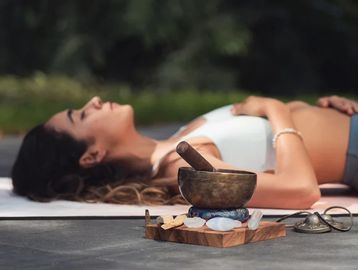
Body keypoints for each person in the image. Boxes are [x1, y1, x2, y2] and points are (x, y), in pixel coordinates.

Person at [11, 95, 358, 209]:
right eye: (82, 115)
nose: (94, 101)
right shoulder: (184, 167)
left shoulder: (175, 140)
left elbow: (264, 140)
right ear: (92, 156)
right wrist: (277, 108)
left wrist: (317, 107)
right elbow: (301, 190)